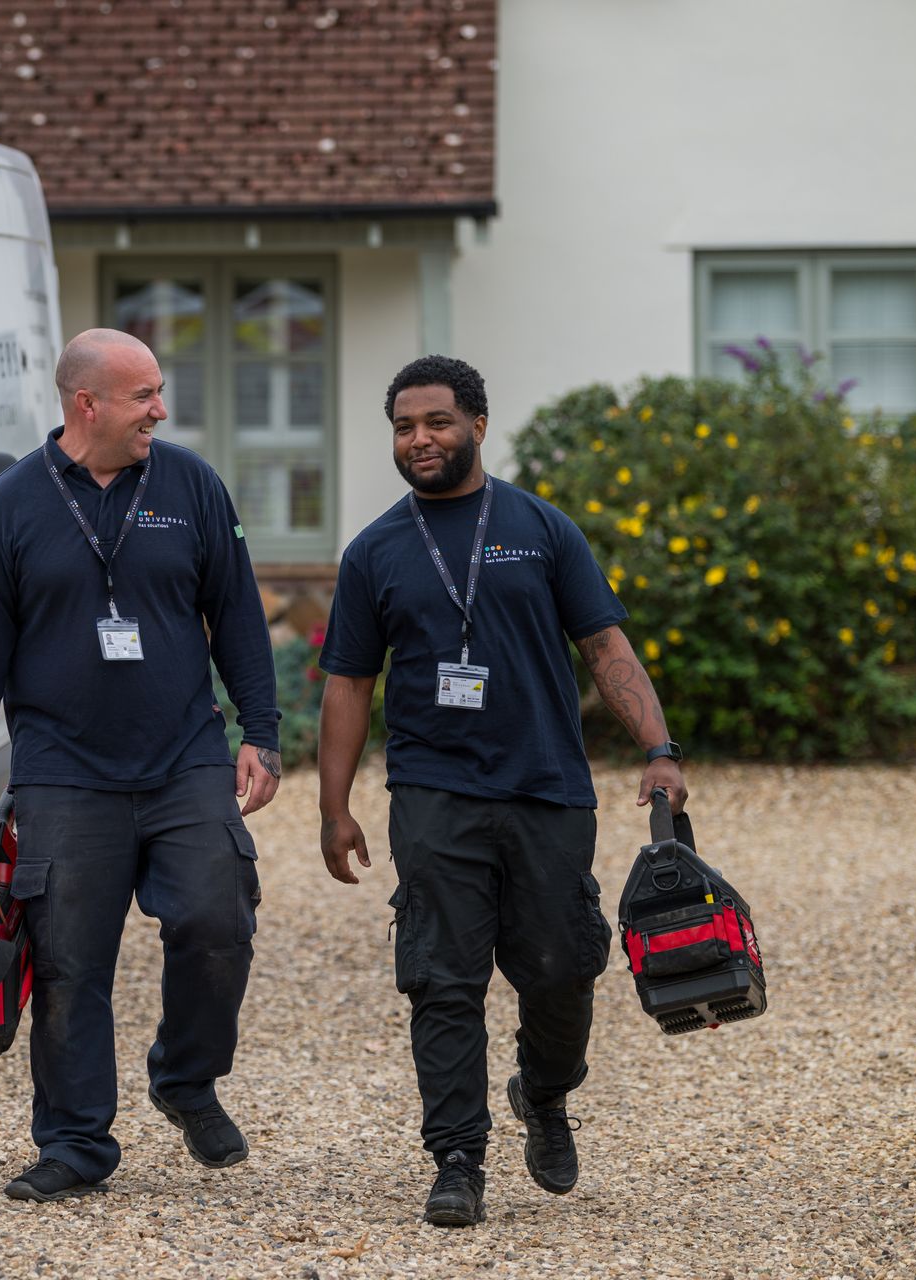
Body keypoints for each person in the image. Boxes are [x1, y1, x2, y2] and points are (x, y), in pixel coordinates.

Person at [315, 355, 688, 1227]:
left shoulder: (542, 529)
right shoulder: (375, 552)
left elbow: (605, 648)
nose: (420, 440)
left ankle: (547, 1093)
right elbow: (348, 684)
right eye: (405, 427)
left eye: (437, 422)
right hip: (434, 791)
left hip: (546, 785)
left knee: (563, 966)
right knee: (441, 978)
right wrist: (334, 809)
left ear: (478, 424)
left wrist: (660, 749)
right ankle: (457, 1157)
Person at [0, 328, 282, 1203]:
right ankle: (76, 1143)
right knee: (67, 965)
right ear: (86, 404)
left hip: (184, 762)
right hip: (62, 772)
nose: (160, 412)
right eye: (144, 397)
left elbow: (237, 612)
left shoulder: (190, 485)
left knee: (217, 922)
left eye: (160, 393)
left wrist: (263, 731)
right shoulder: (11, 506)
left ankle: (186, 1080)